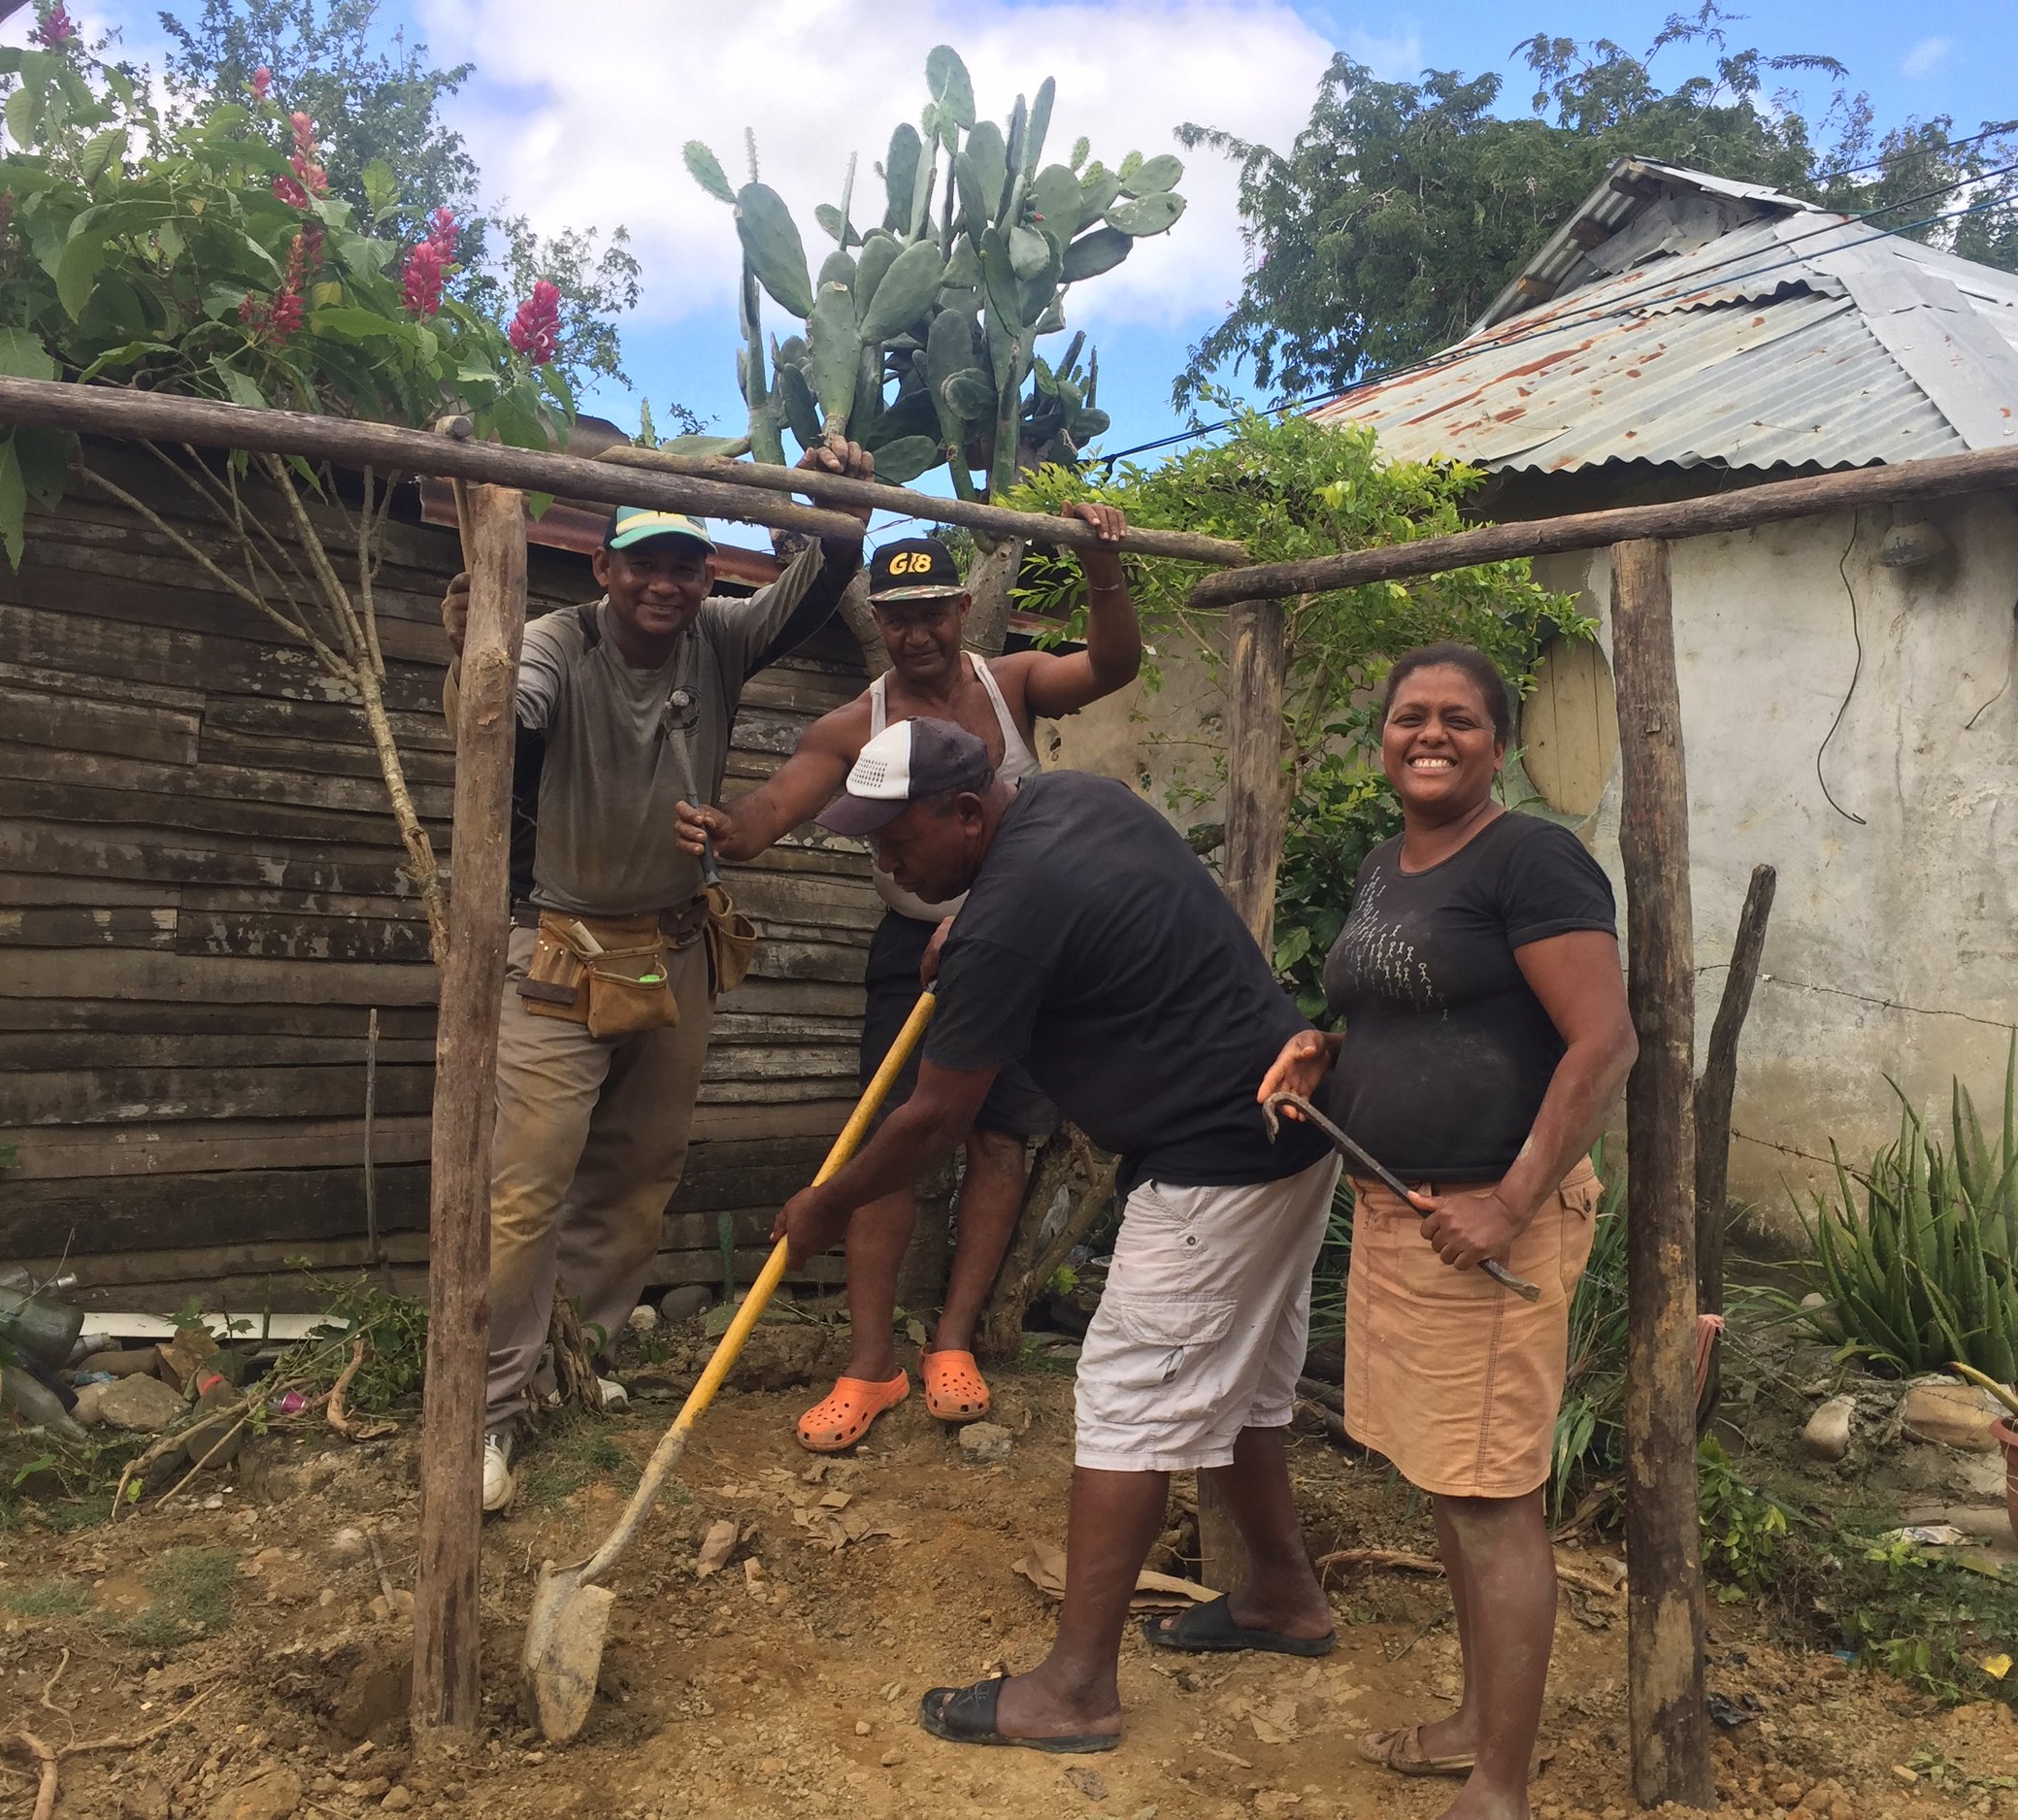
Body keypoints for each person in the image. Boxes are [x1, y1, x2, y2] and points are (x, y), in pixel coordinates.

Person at [762, 717, 1340, 1753]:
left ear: (969, 813)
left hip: (1215, 1160)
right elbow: (1038, 905)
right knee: (1246, 1384)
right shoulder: (1079, 801)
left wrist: (826, 1204)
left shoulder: (1006, 921)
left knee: (1124, 1403)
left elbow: (935, 1121)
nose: (882, 863)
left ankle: (1075, 1690)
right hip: (1288, 1130)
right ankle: (1284, 1596)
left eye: (895, 842)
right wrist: (972, 915)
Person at [442, 441, 876, 1515]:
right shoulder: (553, 640)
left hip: (675, 945)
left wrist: (835, 504)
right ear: (603, 568)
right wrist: (479, 666)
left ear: (706, 580)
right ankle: (486, 1414)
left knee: (638, 1176)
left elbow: (820, 579)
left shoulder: (719, 642)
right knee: (525, 1187)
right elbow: (508, 712)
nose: (664, 585)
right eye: (644, 564)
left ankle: (573, 1365)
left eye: (685, 567)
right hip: (558, 949)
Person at [1259, 643, 1637, 1820]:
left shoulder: (1532, 858)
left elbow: (1603, 1042)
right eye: (1410, 716)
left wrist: (1513, 1200)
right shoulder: (1387, 863)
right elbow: (1395, 1006)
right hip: (1403, 1215)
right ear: (1382, 737)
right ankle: (1478, 1725)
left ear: (1502, 745)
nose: (1431, 735)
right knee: (1444, 1477)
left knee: (1488, 1496)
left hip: (1488, 1229)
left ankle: (1500, 1787)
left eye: (1459, 721)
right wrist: (1324, 1048)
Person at [673, 503, 1139, 1451]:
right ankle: (869, 1363)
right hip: (911, 949)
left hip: (1021, 952)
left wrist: (1101, 570)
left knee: (1002, 1140)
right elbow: (771, 812)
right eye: (900, 615)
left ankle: (954, 1344)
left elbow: (1112, 666)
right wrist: (728, 830)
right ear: (878, 620)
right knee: (888, 1146)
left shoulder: (1010, 684)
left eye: (935, 611)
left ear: (964, 608)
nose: (919, 632)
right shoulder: (858, 721)